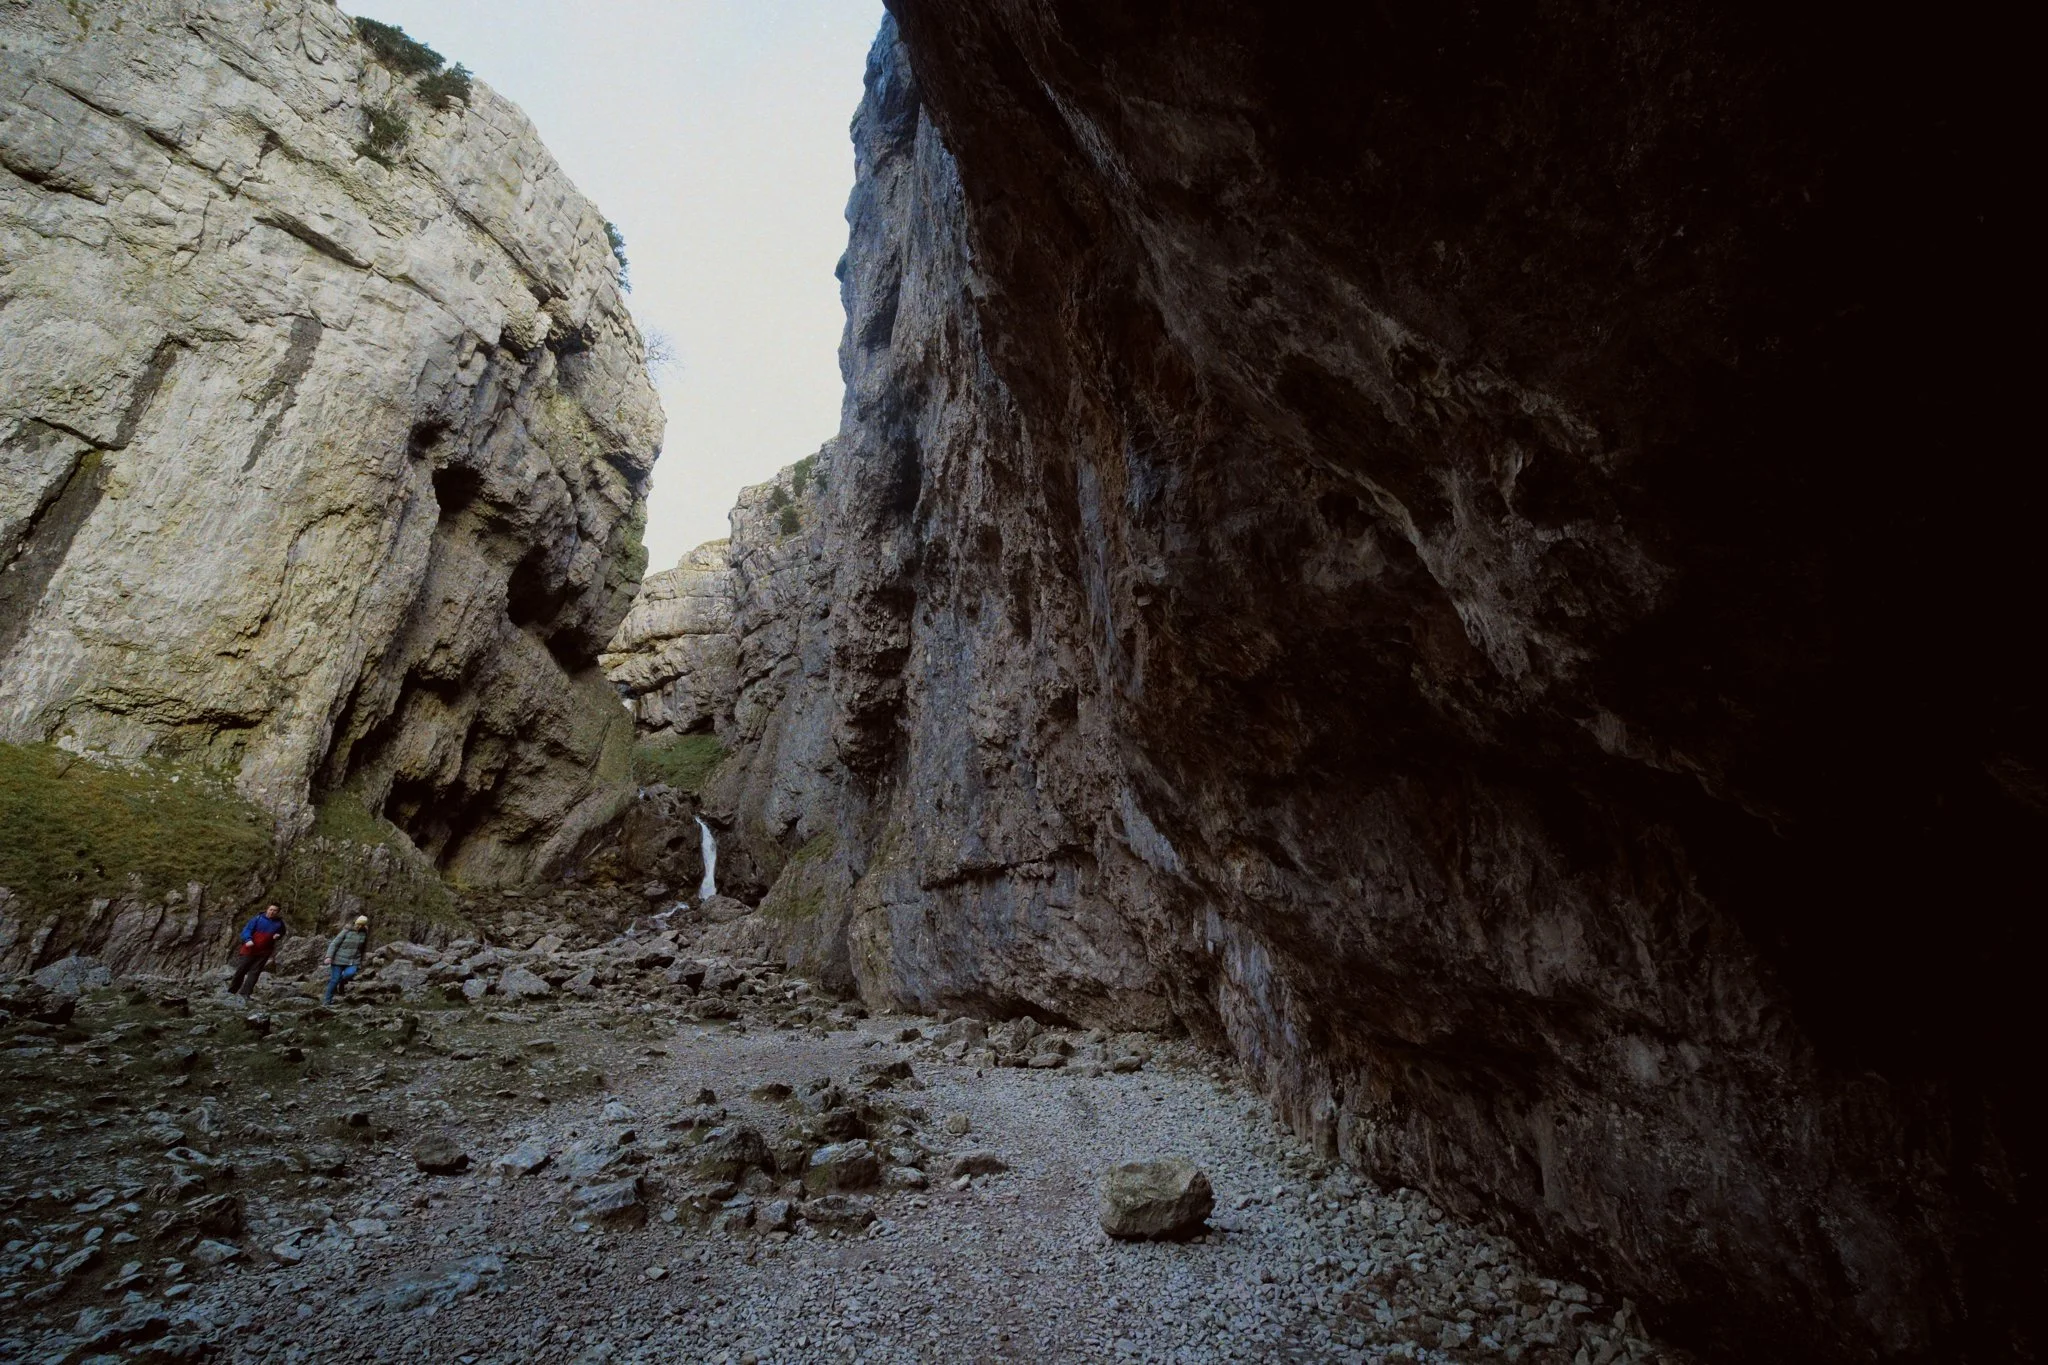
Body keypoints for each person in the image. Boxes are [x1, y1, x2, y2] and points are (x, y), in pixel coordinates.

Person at [227, 904, 286, 999]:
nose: (272, 912)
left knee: (255, 972)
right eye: (270, 909)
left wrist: (278, 935)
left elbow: (282, 931)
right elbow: (247, 930)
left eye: (275, 910)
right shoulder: (257, 919)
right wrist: (248, 939)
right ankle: (231, 991)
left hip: (265, 951)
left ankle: (245, 993)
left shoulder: (279, 923)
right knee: (241, 970)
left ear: (277, 912)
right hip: (250, 949)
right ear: (267, 909)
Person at [323, 914, 370, 1006]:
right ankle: (327, 1002)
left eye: (362, 925)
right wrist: (328, 956)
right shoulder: (346, 931)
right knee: (334, 980)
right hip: (338, 960)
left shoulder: (364, 933)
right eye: (358, 924)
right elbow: (334, 943)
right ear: (356, 923)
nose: (359, 926)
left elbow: (363, 949)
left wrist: (361, 961)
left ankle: (341, 982)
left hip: (353, 961)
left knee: (349, 974)